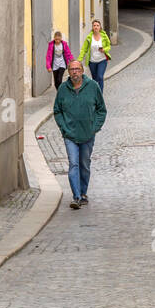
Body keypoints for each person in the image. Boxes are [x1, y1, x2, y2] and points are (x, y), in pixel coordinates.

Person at [53, 59, 107, 209]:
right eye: (72, 69)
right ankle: (76, 196)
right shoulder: (63, 89)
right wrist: (64, 128)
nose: (75, 72)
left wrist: (94, 127)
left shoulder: (93, 87)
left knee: (84, 164)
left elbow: (101, 109)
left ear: (82, 71)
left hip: (87, 134)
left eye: (77, 69)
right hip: (69, 135)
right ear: (68, 72)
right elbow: (57, 110)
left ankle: (83, 193)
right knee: (73, 164)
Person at [79, 18, 112, 92]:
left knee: (100, 77)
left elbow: (109, 46)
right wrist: (79, 60)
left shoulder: (104, 36)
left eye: (97, 25)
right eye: (94, 25)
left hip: (102, 60)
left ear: (100, 27)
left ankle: (100, 94)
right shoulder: (89, 37)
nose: (96, 27)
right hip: (92, 61)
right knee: (95, 79)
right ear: (92, 27)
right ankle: (95, 93)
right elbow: (84, 49)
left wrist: (104, 50)